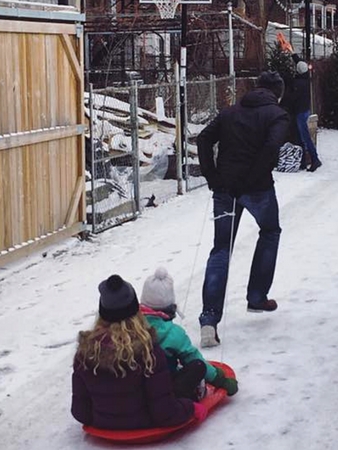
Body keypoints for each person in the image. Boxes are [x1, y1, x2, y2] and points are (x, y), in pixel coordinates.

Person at [196, 71, 289, 348]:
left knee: (221, 248)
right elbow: (272, 146)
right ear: (278, 92)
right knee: (270, 231)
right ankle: (257, 296)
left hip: (225, 190)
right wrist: (250, 180)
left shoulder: (230, 112)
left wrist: (213, 178)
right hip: (258, 189)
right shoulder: (277, 115)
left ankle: (209, 320)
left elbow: (202, 139)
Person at [71, 274, 207, 429]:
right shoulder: (148, 352)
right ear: (136, 312)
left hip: (103, 424)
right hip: (145, 424)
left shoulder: (86, 352)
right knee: (196, 367)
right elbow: (165, 414)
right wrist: (190, 408)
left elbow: (80, 412)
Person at [140, 267, 239, 397]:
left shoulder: (128, 326)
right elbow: (192, 357)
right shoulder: (173, 333)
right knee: (196, 366)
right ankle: (186, 399)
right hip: (164, 389)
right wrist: (221, 380)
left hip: (137, 388)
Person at [290, 58, 322, 172]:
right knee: (301, 136)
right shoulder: (307, 78)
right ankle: (303, 162)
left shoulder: (298, 83)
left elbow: (293, 98)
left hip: (300, 112)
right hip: (305, 110)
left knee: (305, 137)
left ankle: (315, 159)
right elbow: (300, 63)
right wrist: (293, 54)